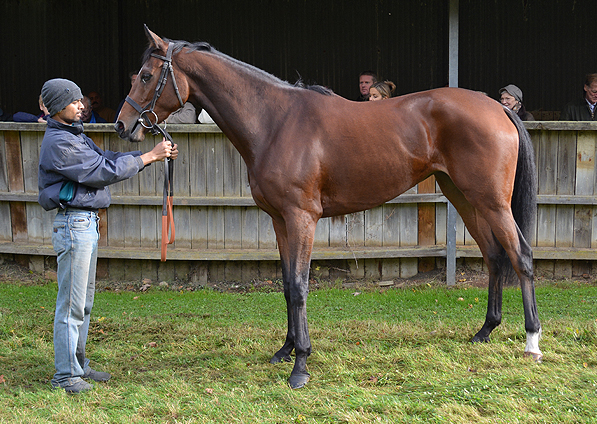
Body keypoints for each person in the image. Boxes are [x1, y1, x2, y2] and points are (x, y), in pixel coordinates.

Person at [38, 78, 178, 394]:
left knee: (83, 304)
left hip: (85, 225)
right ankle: (64, 376)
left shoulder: (73, 135)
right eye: (74, 101)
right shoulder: (60, 143)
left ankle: (78, 367)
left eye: (80, 100)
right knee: (71, 305)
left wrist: (150, 153)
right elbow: (103, 173)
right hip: (75, 226)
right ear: (58, 106)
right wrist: (149, 158)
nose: (81, 105)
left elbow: (106, 159)